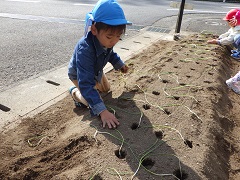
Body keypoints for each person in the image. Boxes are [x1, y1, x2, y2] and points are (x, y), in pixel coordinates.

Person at [67, 0, 131, 129]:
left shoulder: (106, 43)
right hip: (79, 75)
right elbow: (85, 83)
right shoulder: (85, 50)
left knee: (106, 90)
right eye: (109, 37)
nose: (114, 41)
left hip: (96, 71)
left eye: (118, 36)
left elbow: (111, 54)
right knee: (91, 101)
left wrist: (119, 65)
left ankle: (93, 92)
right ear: (94, 29)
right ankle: (75, 92)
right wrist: (103, 111)